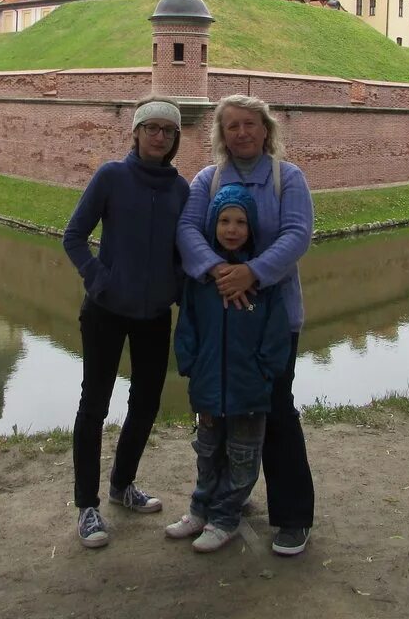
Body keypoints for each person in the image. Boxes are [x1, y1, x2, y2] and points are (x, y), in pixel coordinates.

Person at [176, 94, 316, 556]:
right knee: (217, 415)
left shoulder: (286, 177)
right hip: (218, 315)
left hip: (272, 318)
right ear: (222, 132)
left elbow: (298, 234)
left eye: (249, 125)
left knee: (273, 410)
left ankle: (294, 517)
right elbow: (189, 231)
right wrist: (221, 273)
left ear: (265, 129)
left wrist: (251, 272)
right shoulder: (207, 179)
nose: (241, 133)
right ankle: (222, 504)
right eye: (232, 126)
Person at [62, 96, 190, 549]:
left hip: (154, 314)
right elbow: (74, 236)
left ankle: (122, 484)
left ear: (175, 139)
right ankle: (87, 506)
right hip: (106, 310)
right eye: (151, 128)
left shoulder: (180, 189)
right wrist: (100, 280)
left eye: (167, 131)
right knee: (93, 405)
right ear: (134, 133)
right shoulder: (111, 176)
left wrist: (174, 287)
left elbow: (183, 249)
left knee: (146, 403)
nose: (158, 136)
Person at [167, 184, 291, 553]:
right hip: (207, 386)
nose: (232, 229)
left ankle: (226, 517)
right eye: (224, 221)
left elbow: (276, 335)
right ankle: (200, 508)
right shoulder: (201, 280)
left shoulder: (262, 284)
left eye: (240, 222)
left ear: (251, 228)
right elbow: (187, 326)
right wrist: (188, 363)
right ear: (212, 225)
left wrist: (264, 372)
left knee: (242, 457)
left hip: (248, 389)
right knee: (207, 451)